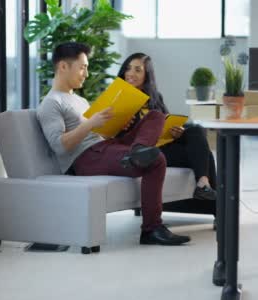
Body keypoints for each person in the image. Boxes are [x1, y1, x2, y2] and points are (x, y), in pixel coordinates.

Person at [37, 42, 191, 246]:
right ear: (63, 67)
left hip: (106, 146)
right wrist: (92, 122)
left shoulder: (79, 100)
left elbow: (97, 131)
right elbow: (59, 145)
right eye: (83, 67)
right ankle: (151, 229)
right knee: (156, 160)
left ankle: (137, 151)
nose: (86, 73)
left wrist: (116, 123)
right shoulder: (51, 103)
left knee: (155, 116)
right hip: (86, 158)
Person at [117, 53, 217, 202]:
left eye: (137, 70)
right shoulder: (118, 96)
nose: (131, 73)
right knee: (206, 155)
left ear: (147, 75)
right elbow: (112, 133)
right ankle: (207, 194)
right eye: (128, 69)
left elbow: (166, 122)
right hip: (144, 151)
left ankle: (203, 184)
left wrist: (178, 132)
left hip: (164, 144)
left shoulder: (156, 97)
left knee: (195, 130)